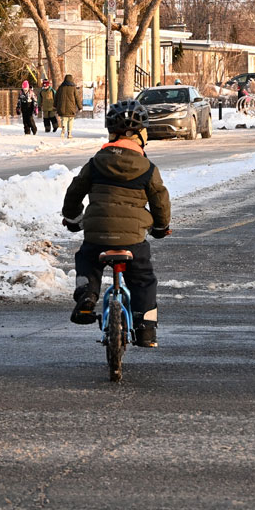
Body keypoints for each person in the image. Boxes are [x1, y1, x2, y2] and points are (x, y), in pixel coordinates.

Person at [61, 99, 172, 348]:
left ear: (111, 133)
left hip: (97, 235)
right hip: (133, 239)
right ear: (141, 135)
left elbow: (75, 191)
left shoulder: (96, 162)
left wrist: (72, 218)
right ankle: (145, 329)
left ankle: (87, 295)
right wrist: (161, 227)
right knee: (143, 278)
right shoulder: (147, 168)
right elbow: (160, 200)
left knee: (87, 260)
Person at [55, 73, 82, 139]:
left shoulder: (61, 88)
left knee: (64, 119)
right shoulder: (73, 88)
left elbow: (56, 97)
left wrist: (55, 105)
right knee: (70, 120)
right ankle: (69, 133)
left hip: (62, 108)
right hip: (71, 108)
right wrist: (80, 107)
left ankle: (63, 129)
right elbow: (77, 98)